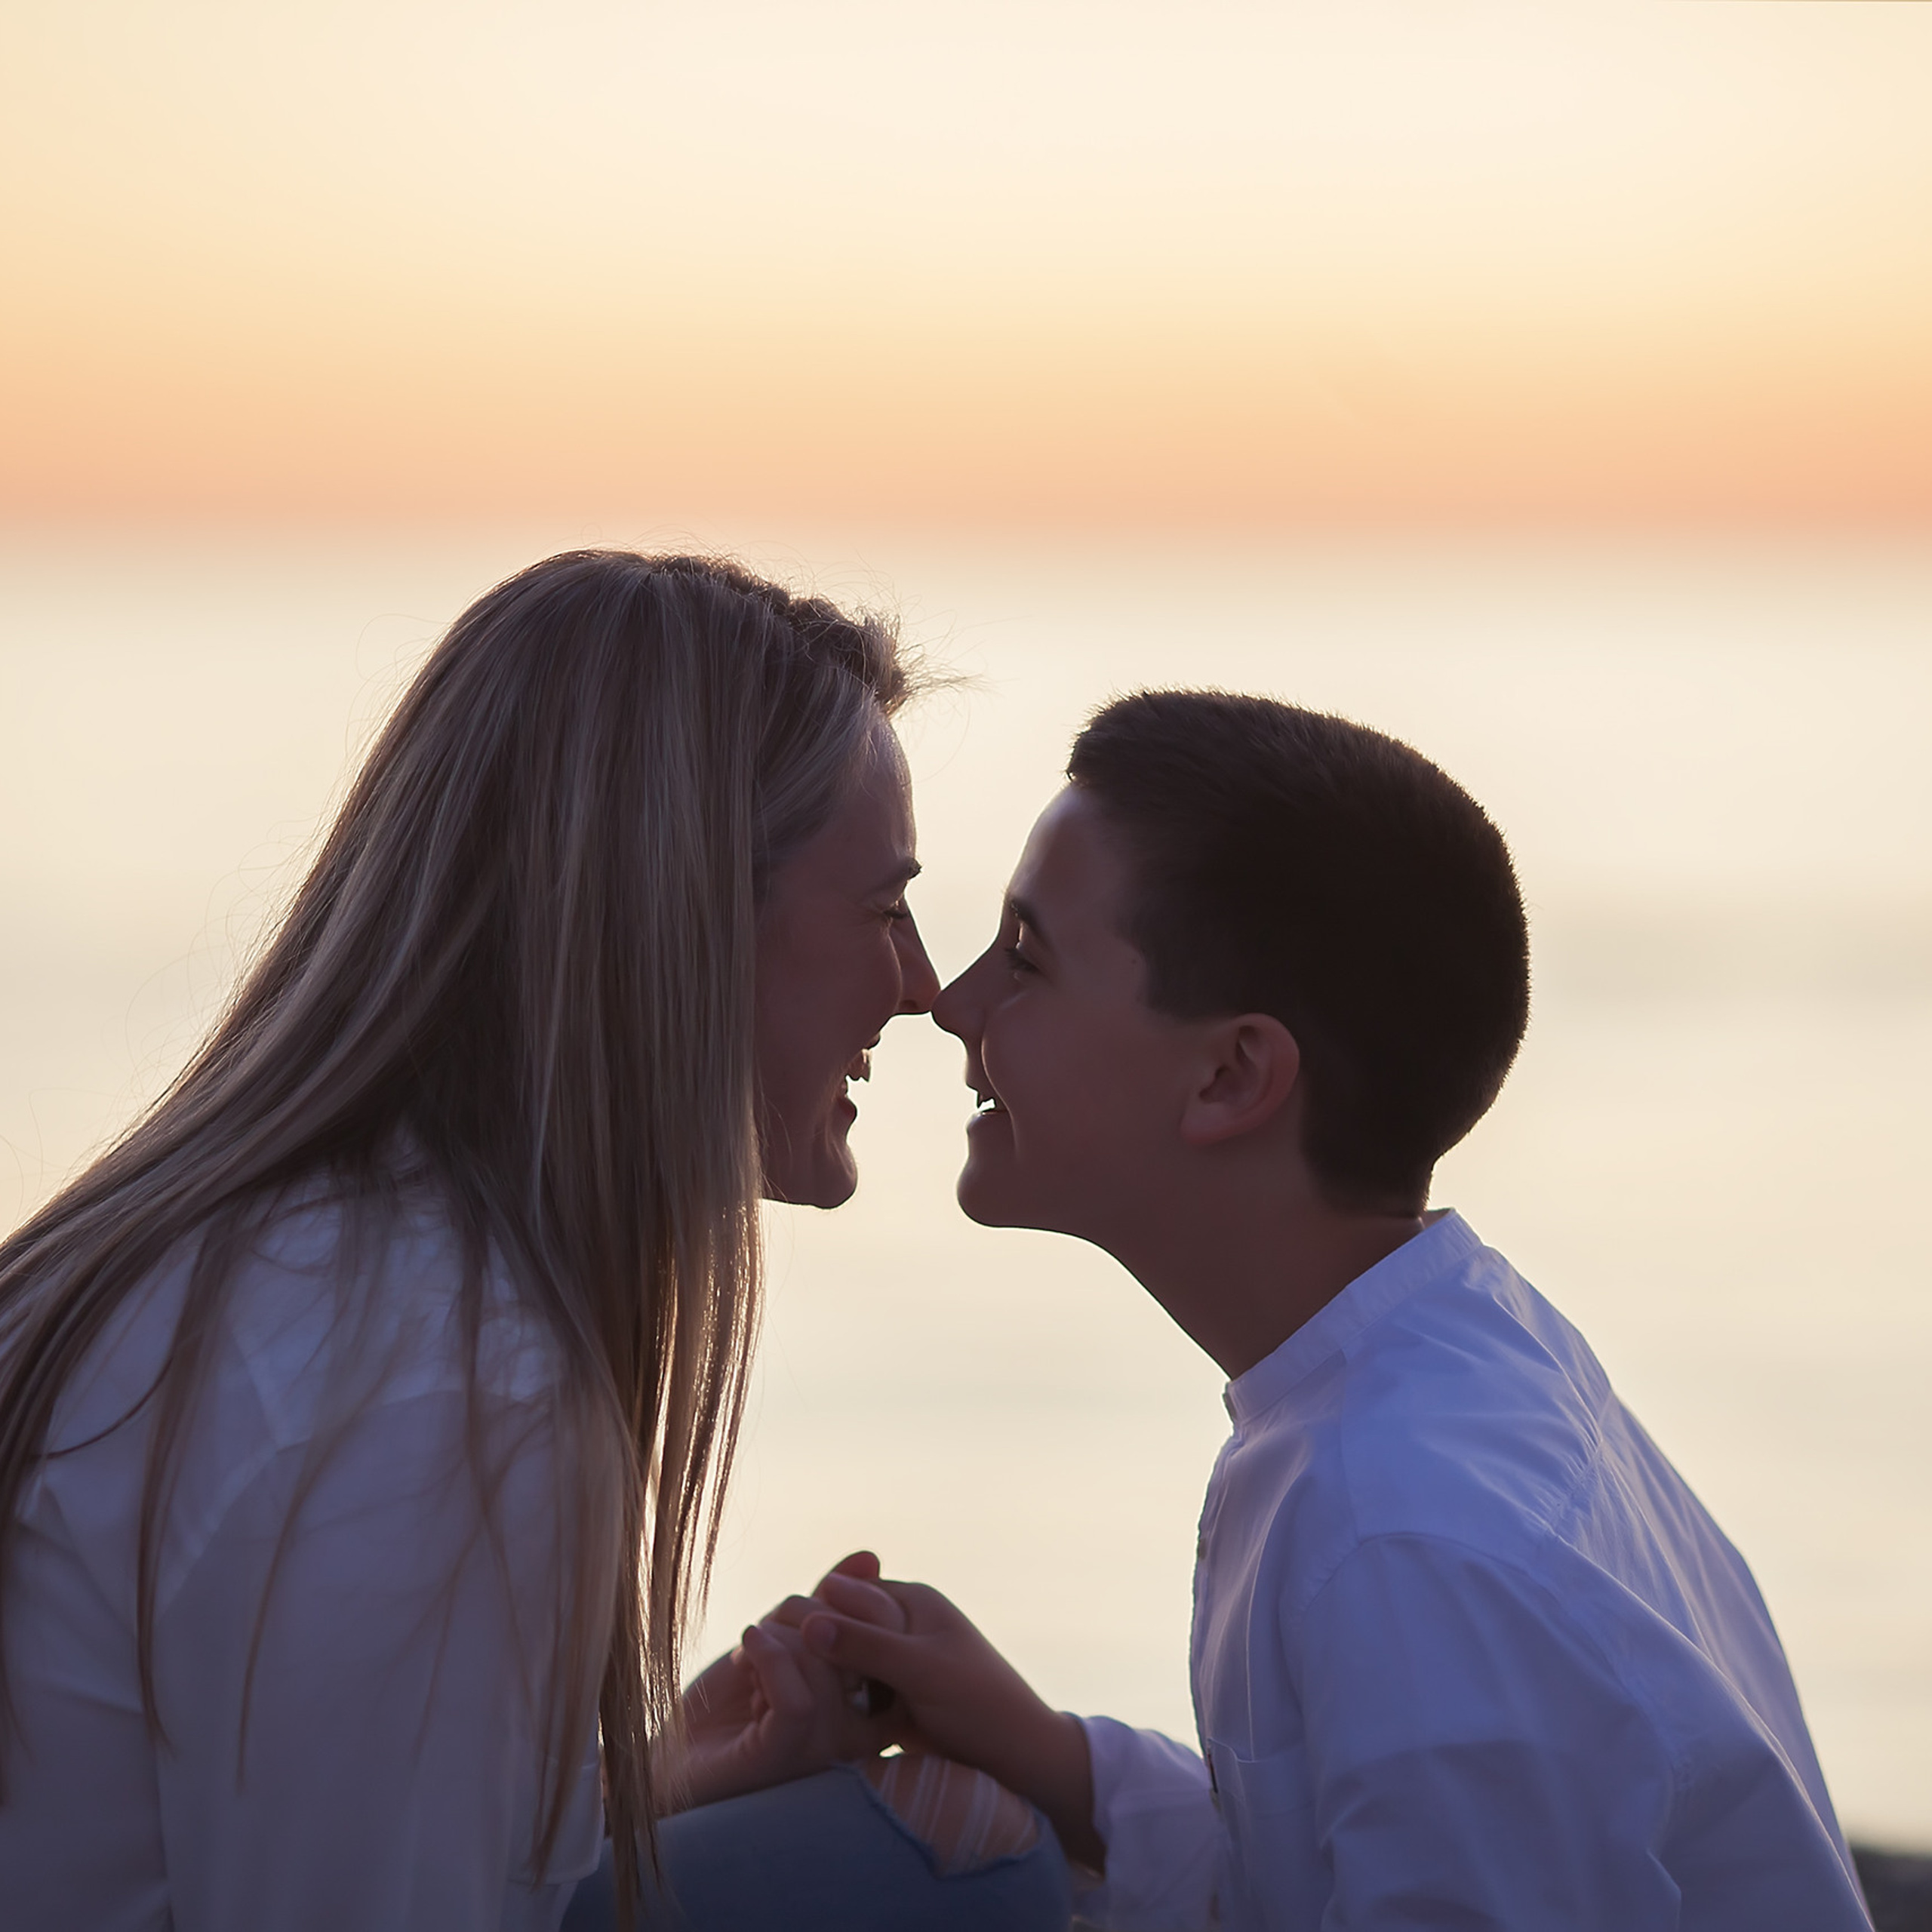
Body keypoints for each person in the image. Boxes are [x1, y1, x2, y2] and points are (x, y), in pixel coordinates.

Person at [0, 551, 1069, 1930]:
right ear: (685, 920)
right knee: (955, 1865)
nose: (921, 986)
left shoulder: (254, 1261)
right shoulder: (439, 1395)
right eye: (880, 910)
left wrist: (641, 1784)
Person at [788, 691, 1875, 1930]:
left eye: (1027, 956)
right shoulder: (1434, 1371)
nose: (954, 1001)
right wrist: (1054, 1762)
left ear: (1232, 1074)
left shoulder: (1408, 1526)